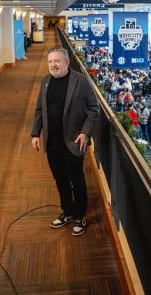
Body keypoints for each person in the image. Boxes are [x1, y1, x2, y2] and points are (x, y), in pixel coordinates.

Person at [31, 47, 100, 237]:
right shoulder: (46, 81)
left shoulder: (80, 80)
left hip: (74, 141)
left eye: (57, 61)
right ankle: (67, 211)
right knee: (60, 179)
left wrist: (85, 133)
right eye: (50, 62)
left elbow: (94, 108)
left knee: (77, 180)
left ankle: (80, 215)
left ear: (67, 62)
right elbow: (39, 110)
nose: (53, 65)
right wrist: (35, 134)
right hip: (52, 142)